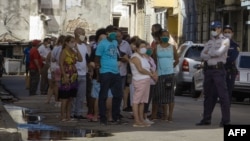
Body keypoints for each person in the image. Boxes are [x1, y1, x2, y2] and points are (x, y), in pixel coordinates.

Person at [196, 21, 230, 127]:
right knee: (208, 96)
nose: (213, 31)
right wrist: (211, 54)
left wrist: (209, 54)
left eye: (214, 29)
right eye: (212, 29)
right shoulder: (210, 41)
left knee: (223, 96)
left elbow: (220, 52)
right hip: (209, 70)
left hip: (218, 70)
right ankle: (206, 118)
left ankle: (225, 120)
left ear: (220, 29)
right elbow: (202, 55)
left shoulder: (225, 40)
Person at [95, 25, 124, 125]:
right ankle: (103, 117)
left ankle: (115, 116)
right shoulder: (102, 44)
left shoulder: (115, 42)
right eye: (112, 32)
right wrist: (98, 72)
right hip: (105, 72)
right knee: (103, 95)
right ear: (107, 33)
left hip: (115, 71)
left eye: (115, 33)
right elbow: (97, 58)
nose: (114, 34)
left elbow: (116, 54)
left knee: (118, 95)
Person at [151, 29, 179, 122]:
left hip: (169, 74)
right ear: (160, 37)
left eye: (167, 36)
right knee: (160, 95)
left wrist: (172, 66)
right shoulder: (157, 47)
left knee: (170, 95)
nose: (165, 37)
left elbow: (177, 59)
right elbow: (154, 59)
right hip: (160, 74)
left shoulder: (172, 47)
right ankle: (163, 114)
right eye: (164, 35)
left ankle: (170, 115)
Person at [129, 39, 157, 127]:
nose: (144, 48)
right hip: (139, 80)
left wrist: (153, 73)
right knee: (137, 101)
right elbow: (140, 69)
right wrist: (151, 74)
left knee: (142, 101)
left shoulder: (143, 57)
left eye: (144, 46)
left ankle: (141, 119)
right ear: (136, 48)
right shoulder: (135, 57)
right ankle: (137, 120)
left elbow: (149, 66)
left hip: (146, 80)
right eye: (141, 47)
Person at [58, 35, 83, 122]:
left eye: (74, 42)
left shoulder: (73, 51)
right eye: (71, 42)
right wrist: (64, 75)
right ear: (66, 43)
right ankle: (62, 116)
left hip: (73, 75)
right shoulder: (64, 52)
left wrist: (77, 49)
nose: (73, 43)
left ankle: (68, 116)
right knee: (65, 97)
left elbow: (80, 59)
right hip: (67, 74)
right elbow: (60, 63)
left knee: (70, 97)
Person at [71, 27, 89, 120]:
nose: (84, 35)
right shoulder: (73, 45)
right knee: (73, 95)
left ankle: (79, 112)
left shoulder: (84, 46)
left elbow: (86, 58)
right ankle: (71, 112)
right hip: (74, 73)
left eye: (84, 33)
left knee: (81, 95)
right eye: (82, 33)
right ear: (77, 34)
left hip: (83, 73)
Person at [116, 29, 133, 112]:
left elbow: (130, 56)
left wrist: (126, 59)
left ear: (122, 36)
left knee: (120, 92)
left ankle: (118, 110)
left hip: (122, 72)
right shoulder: (111, 44)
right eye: (116, 37)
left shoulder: (126, 44)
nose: (117, 38)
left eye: (119, 36)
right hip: (112, 71)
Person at [223, 25, 240, 103]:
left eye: (229, 32)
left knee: (228, 90)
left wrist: (221, 59)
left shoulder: (235, 45)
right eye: (225, 32)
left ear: (232, 33)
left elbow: (232, 58)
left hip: (230, 71)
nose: (227, 34)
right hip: (220, 70)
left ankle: (226, 106)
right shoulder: (218, 43)